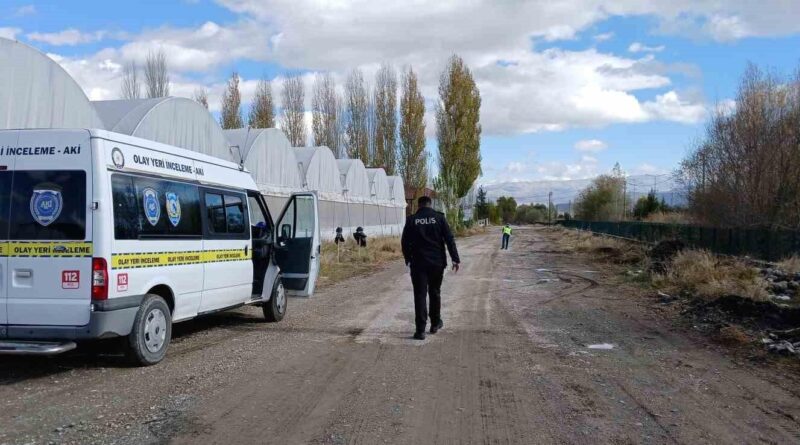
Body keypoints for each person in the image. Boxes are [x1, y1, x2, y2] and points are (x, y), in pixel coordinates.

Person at [401, 196, 461, 340]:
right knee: (434, 292)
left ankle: (420, 330)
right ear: (430, 204)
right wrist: (455, 259)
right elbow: (449, 239)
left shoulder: (411, 220)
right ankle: (435, 324)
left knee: (420, 295)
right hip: (437, 263)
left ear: (418, 205)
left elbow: (404, 242)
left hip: (418, 264)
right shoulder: (439, 218)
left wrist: (408, 259)